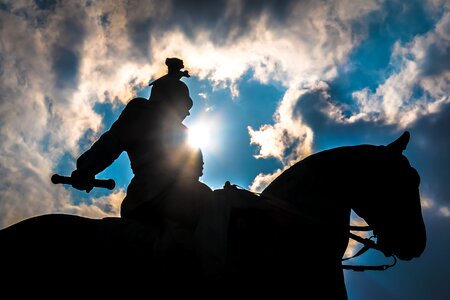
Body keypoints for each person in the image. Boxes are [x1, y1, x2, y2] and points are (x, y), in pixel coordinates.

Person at [71, 58, 216, 278]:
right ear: (171, 99)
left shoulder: (185, 133)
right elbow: (112, 141)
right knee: (209, 207)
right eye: (185, 105)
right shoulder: (142, 111)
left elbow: (197, 169)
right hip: (154, 192)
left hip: (181, 191)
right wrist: (86, 169)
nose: (187, 113)